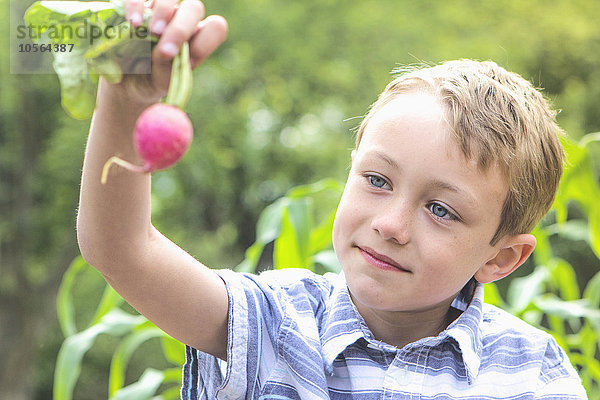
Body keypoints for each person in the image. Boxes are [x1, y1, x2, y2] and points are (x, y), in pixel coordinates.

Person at [76, 0, 587, 398]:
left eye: (440, 210)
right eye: (378, 180)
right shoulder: (271, 323)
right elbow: (124, 249)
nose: (391, 224)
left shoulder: (533, 372)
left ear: (500, 258)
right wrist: (125, 100)